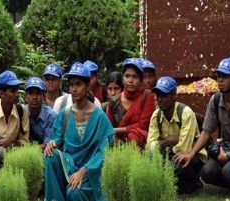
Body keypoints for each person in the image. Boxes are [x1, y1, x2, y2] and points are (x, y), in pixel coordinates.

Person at [174, 58, 230, 192]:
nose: (220, 80)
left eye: (225, 76)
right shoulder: (215, 100)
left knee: (228, 172)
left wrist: (228, 156)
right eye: (218, 76)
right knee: (206, 173)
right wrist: (190, 154)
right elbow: (206, 132)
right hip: (226, 147)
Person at [44, 62, 115, 201]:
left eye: (78, 84)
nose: (74, 89)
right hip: (69, 165)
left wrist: (84, 170)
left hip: (90, 171)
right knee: (50, 155)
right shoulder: (65, 114)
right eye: (71, 85)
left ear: (88, 86)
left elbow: (104, 151)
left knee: (75, 192)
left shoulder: (99, 116)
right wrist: (52, 143)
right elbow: (57, 139)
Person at [146, 76, 206, 195]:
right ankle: (176, 188)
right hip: (170, 152)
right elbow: (149, 147)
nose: (160, 99)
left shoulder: (185, 113)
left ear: (174, 95)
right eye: (158, 95)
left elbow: (184, 149)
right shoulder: (156, 115)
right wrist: (168, 141)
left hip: (193, 154)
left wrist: (163, 145)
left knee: (176, 164)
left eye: (164, 95)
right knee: (151, 160)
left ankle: (195, 184)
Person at [106, 58, 156, 147]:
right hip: (117, 143)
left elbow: (142, 125)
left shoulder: (148, 96)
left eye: (135, 77)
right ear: (122, 78)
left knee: (134, 136)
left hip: (140, 144)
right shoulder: (114, 101)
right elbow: (109, 127)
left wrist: (116, 130)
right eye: (127, 76)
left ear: (141, 80)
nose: (130, 80)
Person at [24, 77, 57, 151]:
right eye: (31, 93)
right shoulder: (21, 112)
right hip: (24, 151)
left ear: (44, 97)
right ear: (25, 97)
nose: (34, 97)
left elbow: (47, 144)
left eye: (38, 93)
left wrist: (28, 151)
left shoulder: (51, 116)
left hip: (44, 153)